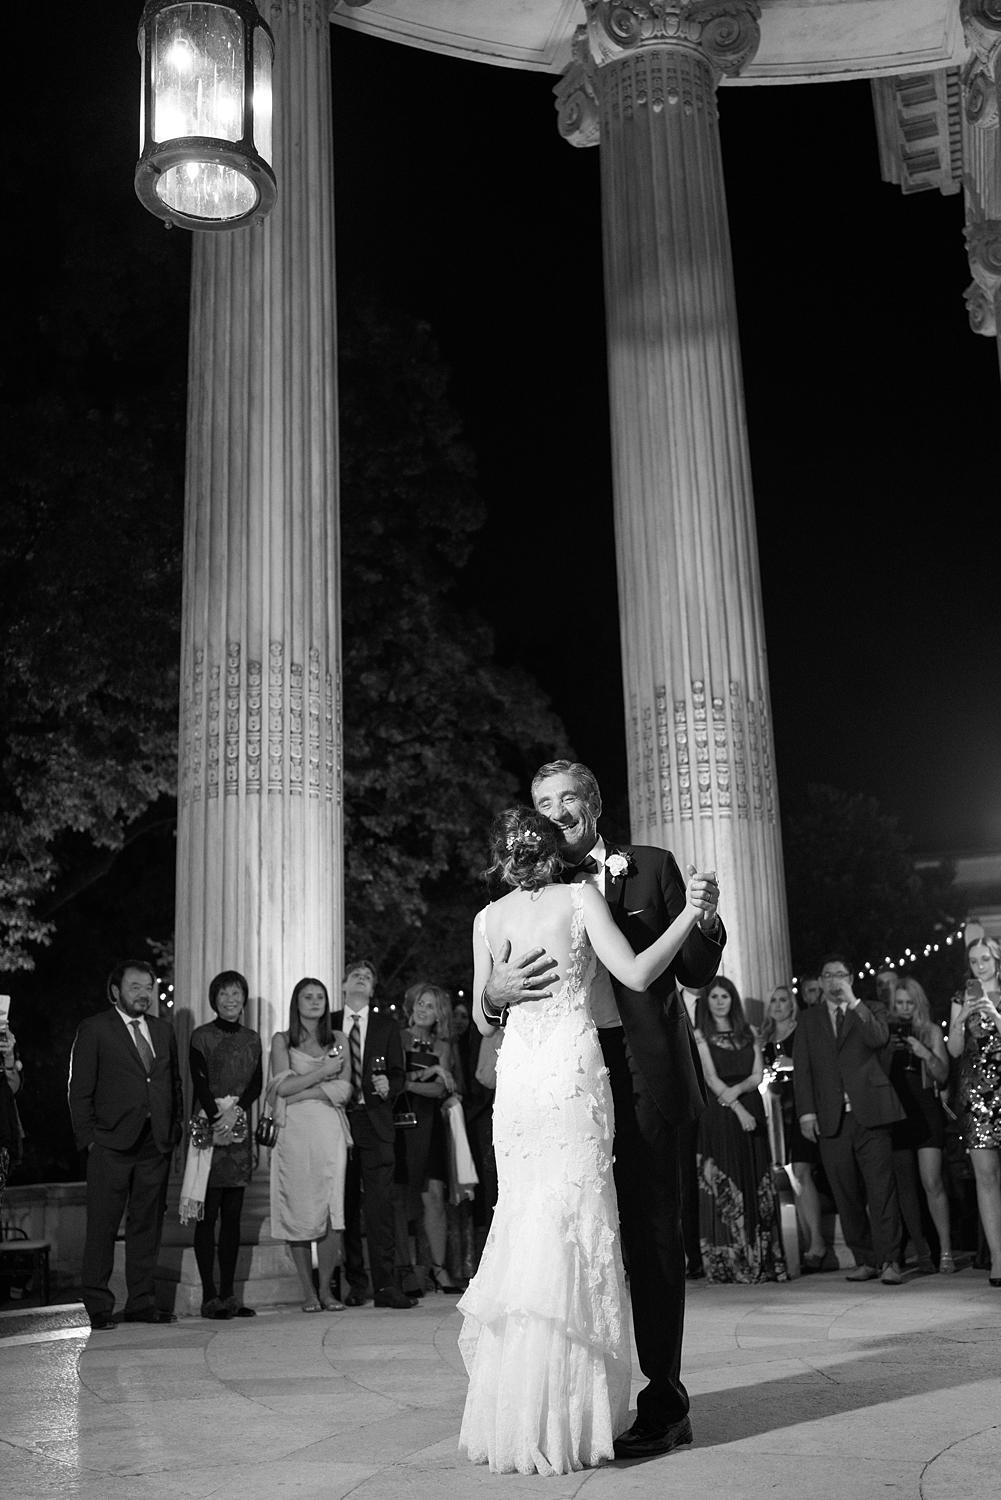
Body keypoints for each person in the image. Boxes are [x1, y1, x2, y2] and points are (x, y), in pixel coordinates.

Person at [478, 759, 724, 1463]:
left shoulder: (648, 867)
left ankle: (663, 1397)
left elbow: (695, 971)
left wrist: (701, 919)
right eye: (542, 802)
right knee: (570, 1229)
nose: (556, 812)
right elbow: (489, 995)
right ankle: (582, 1397)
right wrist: (492, 991)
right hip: (563, 1074)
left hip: (640, 1070)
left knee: (650, 1232)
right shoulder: (525, 895)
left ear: (592, 805)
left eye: (567, 800)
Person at [67, 961, 182, 1329]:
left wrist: (173, 1130)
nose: (143, 993)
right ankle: (99, 1306)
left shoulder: (163, 1031)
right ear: (116, 991)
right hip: (109, 1143)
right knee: (102, 1225)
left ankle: (142, 1302)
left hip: (155, 1143)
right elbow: (79, 1090)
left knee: (146, 1226)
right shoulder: (95, 1028)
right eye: (135, 987)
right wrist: (89, 1141)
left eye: (148, 986)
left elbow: (172, 1084)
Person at [793, 954, 905, 1285]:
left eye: (840, 975)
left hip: (871, 1112)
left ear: (851, 978)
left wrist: (854, 1001)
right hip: (831, 1118)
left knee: (881, 1189)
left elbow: (878, 1038)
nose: (833, 981)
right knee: (846, 1193)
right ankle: (865, 1258)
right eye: (827, 975)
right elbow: (803, 1069)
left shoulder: (868, 1009)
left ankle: (890, 1261)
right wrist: (806, 1112)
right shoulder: (810, 1019)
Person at [693, 979, 787, 1283]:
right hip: (721, 1114)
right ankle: (730, 1264)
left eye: (726, 996)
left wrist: (740, 1096)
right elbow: (709, 1077)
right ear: (707, 1001)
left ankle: (763, 1260)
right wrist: (737, 1107)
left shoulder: (751, 1033)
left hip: (749, 1105)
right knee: (727, 1184)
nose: (720, 1001)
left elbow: (757, 1074)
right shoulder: (701, 1036)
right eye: (715, 996)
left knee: (755, 1179)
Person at [268, 977, 352, 1311]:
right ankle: (308, 1292)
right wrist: (323, 1074)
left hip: (329, 1129)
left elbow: (344, 1090)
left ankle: (328, 1290)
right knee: (298, 1206)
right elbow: (279, 1089)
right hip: (293, 1133)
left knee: (333, 1209)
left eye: (320, 996)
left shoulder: (339, 1039)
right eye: (307, 996)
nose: (315, 1002)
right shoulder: (282, 1040)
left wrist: (303, 1089)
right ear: (296, 1002)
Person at [332, 960, 411, 1308]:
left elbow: (399, 1075)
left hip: (374, 1120)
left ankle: (385, 1286)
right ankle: (354, 1284)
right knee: (344, 1204)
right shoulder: (329, 1023)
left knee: (379, 1206)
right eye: (356, 976)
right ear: (345, 984)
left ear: (373, 989)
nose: (362, 980)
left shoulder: (386, 1026)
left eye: (368, 977)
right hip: (337, 1121)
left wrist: (387, 1086)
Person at [184, 970, 263, 1318]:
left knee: (233, 1216)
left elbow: (257, 1084)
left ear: (243, 999)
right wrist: (219, 1115)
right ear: (214, 999)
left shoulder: (252, 1038)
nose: (230, 1000)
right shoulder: (201, 1036)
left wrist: (236, 1113)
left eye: (236, 994)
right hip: (209, 1126)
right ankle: (209, 1296)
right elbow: (198, 1081)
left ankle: (230, 1294)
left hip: (239, 1129)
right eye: (224, 994)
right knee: (208, 1214)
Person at [759, 983, 833, 1271]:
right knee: (791, 1175)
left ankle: (817, 1242)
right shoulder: (764, 1036)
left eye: (783, 1000)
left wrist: (792, 1063)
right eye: (773, 1000)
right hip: (776, 1109)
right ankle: (807, 1243)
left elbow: (814, 1066)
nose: (777, 1005)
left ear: (792, 1004)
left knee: (802, 1171)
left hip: (800, 1104)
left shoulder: (802, 1030)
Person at [882, 976, 953, 1274]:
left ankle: (946, 1250)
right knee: (905, 1187)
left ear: (918, 1003)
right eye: (899, 1003)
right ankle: (923, 1252)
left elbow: (943, 1075)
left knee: (932, 1182)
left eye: (909, 1003)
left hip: (926, 1110)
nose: (904, 1008)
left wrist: (925, 1052)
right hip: (898, 1111)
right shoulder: (885, 1031)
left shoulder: (931, 1031)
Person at [946, 937, 1001, 1285]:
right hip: (977, 1094)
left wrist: (993, 1013)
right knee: (986, 1176)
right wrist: (962, 1017)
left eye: (985, 959)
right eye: (974, 961)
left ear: (997, 959)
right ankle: (998, 1258)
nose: (980, 966)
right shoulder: (959, 997)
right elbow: (953, 1051)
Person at [398, 981, 459, 1292]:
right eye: (420, 1003)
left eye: (430, 1006)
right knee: (405, 1199)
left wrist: (414, 1080)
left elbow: (440, 1090)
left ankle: (438, 1268)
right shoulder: (398, 1038)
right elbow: (395, 1081)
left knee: (434, 1198)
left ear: (439, 1014)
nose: (424, 1010)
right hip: (401, 1124)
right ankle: (406, 1271)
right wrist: (427, 1075)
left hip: (431, 1125)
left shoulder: (443, 1047)